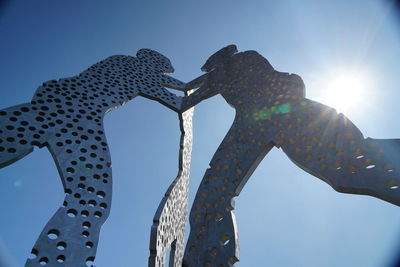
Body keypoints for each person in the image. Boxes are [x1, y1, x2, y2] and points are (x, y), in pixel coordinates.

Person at [180, 44, 400, 266]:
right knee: (213, 193)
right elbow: (188, 92)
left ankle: (206, 256)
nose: (213, 70)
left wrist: (155, 83)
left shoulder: (237, 65)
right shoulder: (235, 66)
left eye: (213, 66)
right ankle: (205, 256)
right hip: (267, 119)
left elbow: (187, 96)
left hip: (272, 118)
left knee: (344, 163)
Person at [0, 48, 187, 267]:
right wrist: (208, 84)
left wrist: (194, 85)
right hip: (78, 119)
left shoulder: (121, 60)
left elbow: (174, 84)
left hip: (55, 101)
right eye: (162, 68)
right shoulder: (138, 70)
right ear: (152, 63)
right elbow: (179, 98)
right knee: (91, 199)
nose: (163, 73)